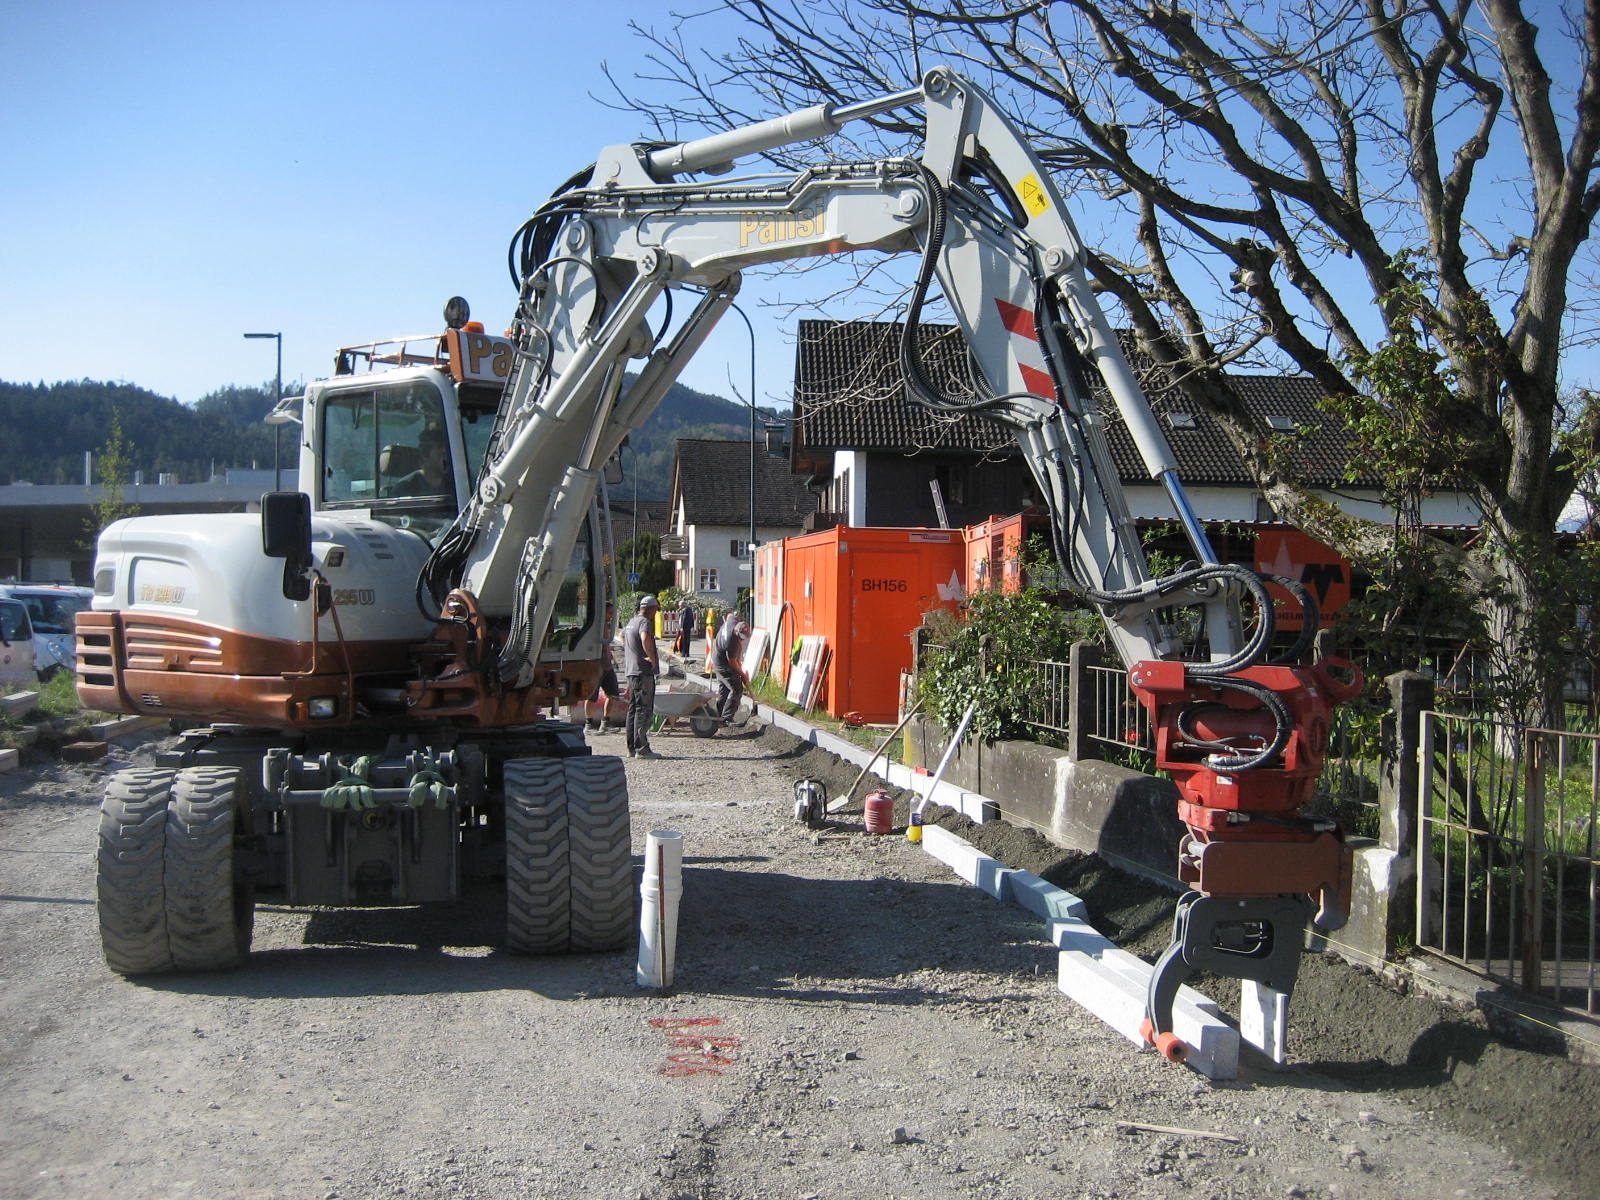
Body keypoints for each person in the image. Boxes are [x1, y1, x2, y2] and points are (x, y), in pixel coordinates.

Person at [621, 594, 661, 758]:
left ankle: (631, 747)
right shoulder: (644, 622)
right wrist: (651, 658)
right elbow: (645, 638)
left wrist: (631, 652)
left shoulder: (631, 622)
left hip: (631, 671)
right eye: (655, 611)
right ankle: (642, 748)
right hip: (642, 672)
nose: (656, 614)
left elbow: (622, 636)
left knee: (633, 709)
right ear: (650, 609)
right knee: (643, 710)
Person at [708, 613, 749, 726]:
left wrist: (741, 672)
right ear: (737, 633)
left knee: (725, 688)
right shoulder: (731, 642)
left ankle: (718, 717)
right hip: (721, 662)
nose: (742, 641)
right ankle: (727, 718)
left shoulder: (733, 620)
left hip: (717, 655)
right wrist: (742, 675)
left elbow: (729, 615)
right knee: (736, 687)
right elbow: (732, 662)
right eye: (741, 638)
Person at [394, 430, 452, 497]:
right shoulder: (404, 488)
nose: (445, 451)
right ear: (425, 454)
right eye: (440, 446)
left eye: (446, 447)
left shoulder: (455, 484)